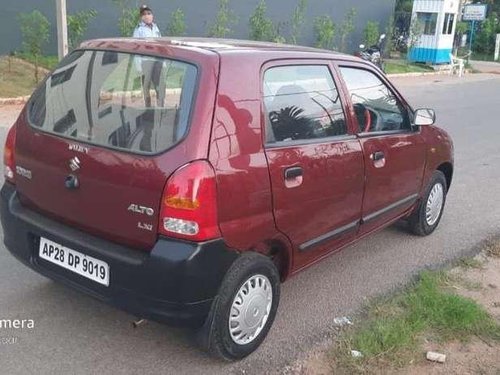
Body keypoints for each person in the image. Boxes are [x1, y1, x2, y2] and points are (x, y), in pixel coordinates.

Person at [133, 5, 164, 108]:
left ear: (152, 15)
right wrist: (138, 66)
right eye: (144, 14)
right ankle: (148, 109)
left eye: (148, 13)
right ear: (141, 17)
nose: (147, 16)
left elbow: (161, 46)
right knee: (146, 87)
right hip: (146, 62)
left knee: (160, 86)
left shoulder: (156, 27)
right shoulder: (139, 30)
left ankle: (161, 108)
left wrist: (163, 62)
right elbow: (135, 49)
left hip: (157, 61)